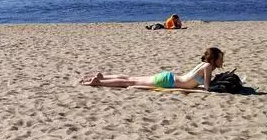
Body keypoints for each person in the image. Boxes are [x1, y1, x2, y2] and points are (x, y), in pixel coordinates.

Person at [80, 47, 224, 90]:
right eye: (220, 58)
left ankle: (103, 77)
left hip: (169, 77)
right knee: (130, 83)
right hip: (168, 82)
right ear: (214, 59)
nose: (222, 60)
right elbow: (206, 87)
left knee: (131, 78)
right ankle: (99, 82)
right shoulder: (208, 67)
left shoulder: (204, 64)